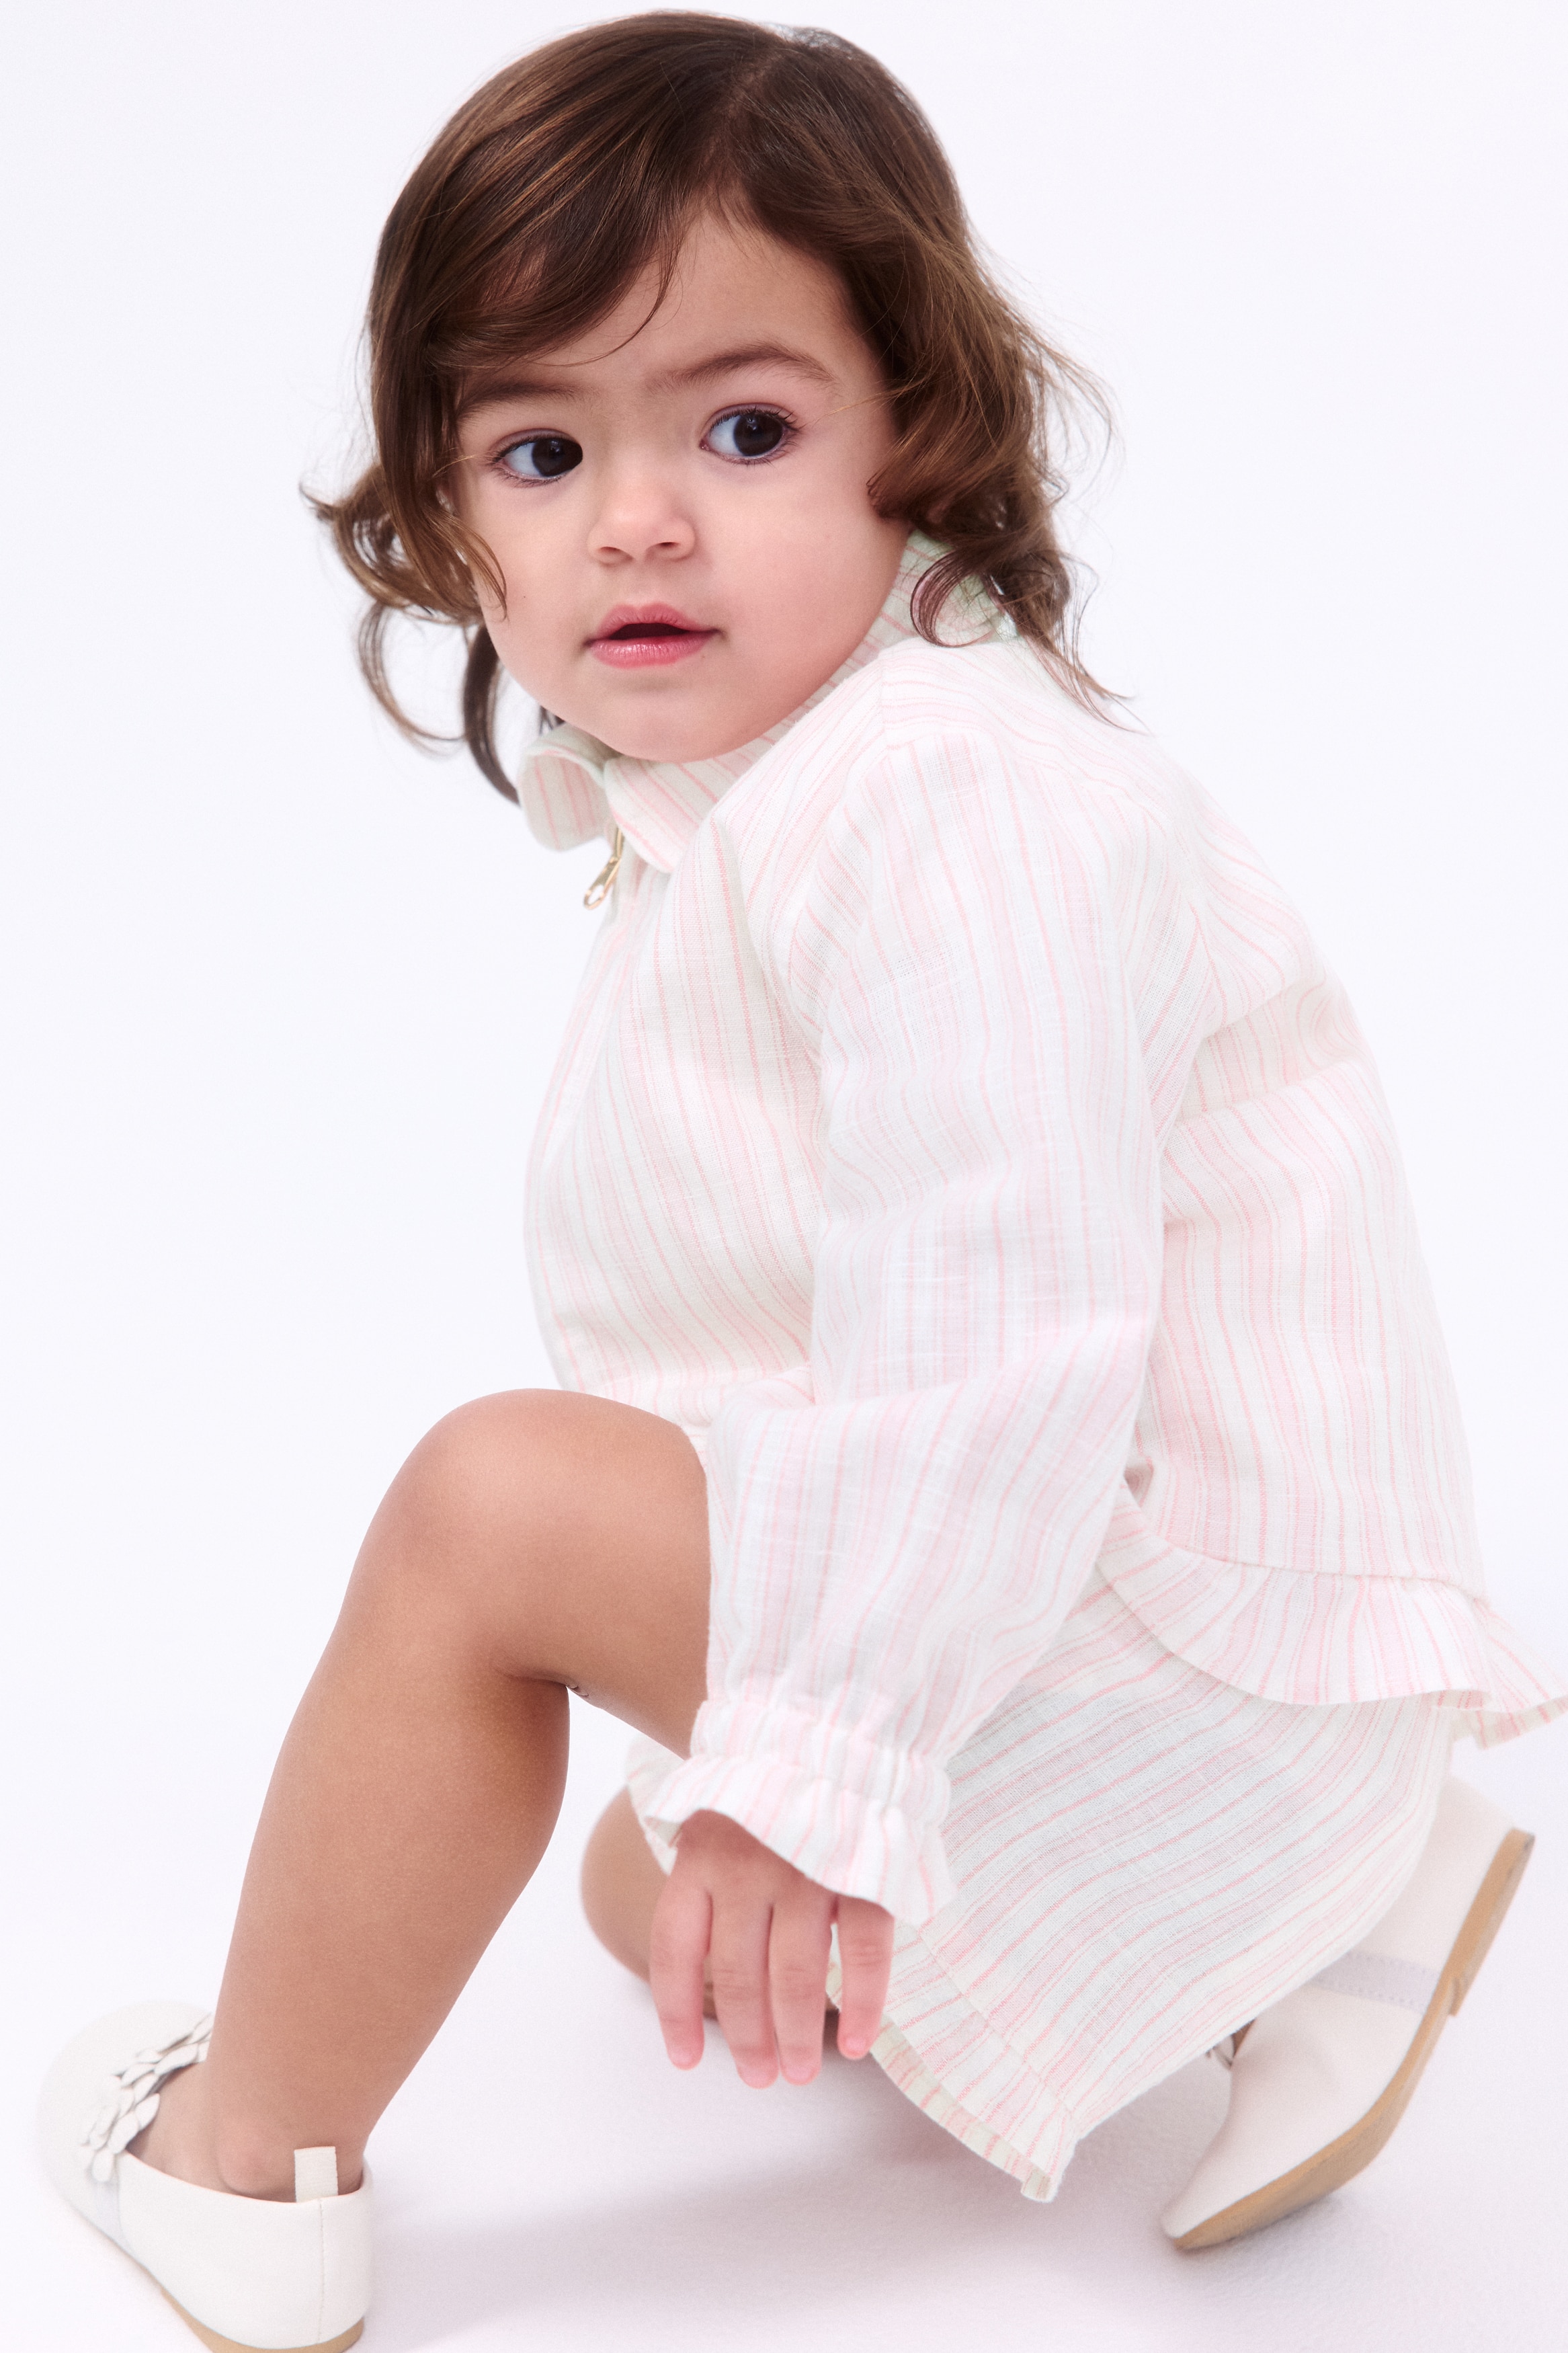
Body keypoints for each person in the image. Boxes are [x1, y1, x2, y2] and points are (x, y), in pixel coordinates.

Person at [38, 15, 1567, 2348]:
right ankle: (1311, 1922)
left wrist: (824, 1761)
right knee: (630, 1882)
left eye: (743, 431)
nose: (638, 521)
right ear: (453, 518)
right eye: (542, 450)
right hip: (1152, 1631)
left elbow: (1000, 1332)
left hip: (1184, 1652)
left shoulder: (944, 799)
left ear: (916, 441)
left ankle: (240, 2173)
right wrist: (770, 1771)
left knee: (490, 1516)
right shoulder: (795, 786)